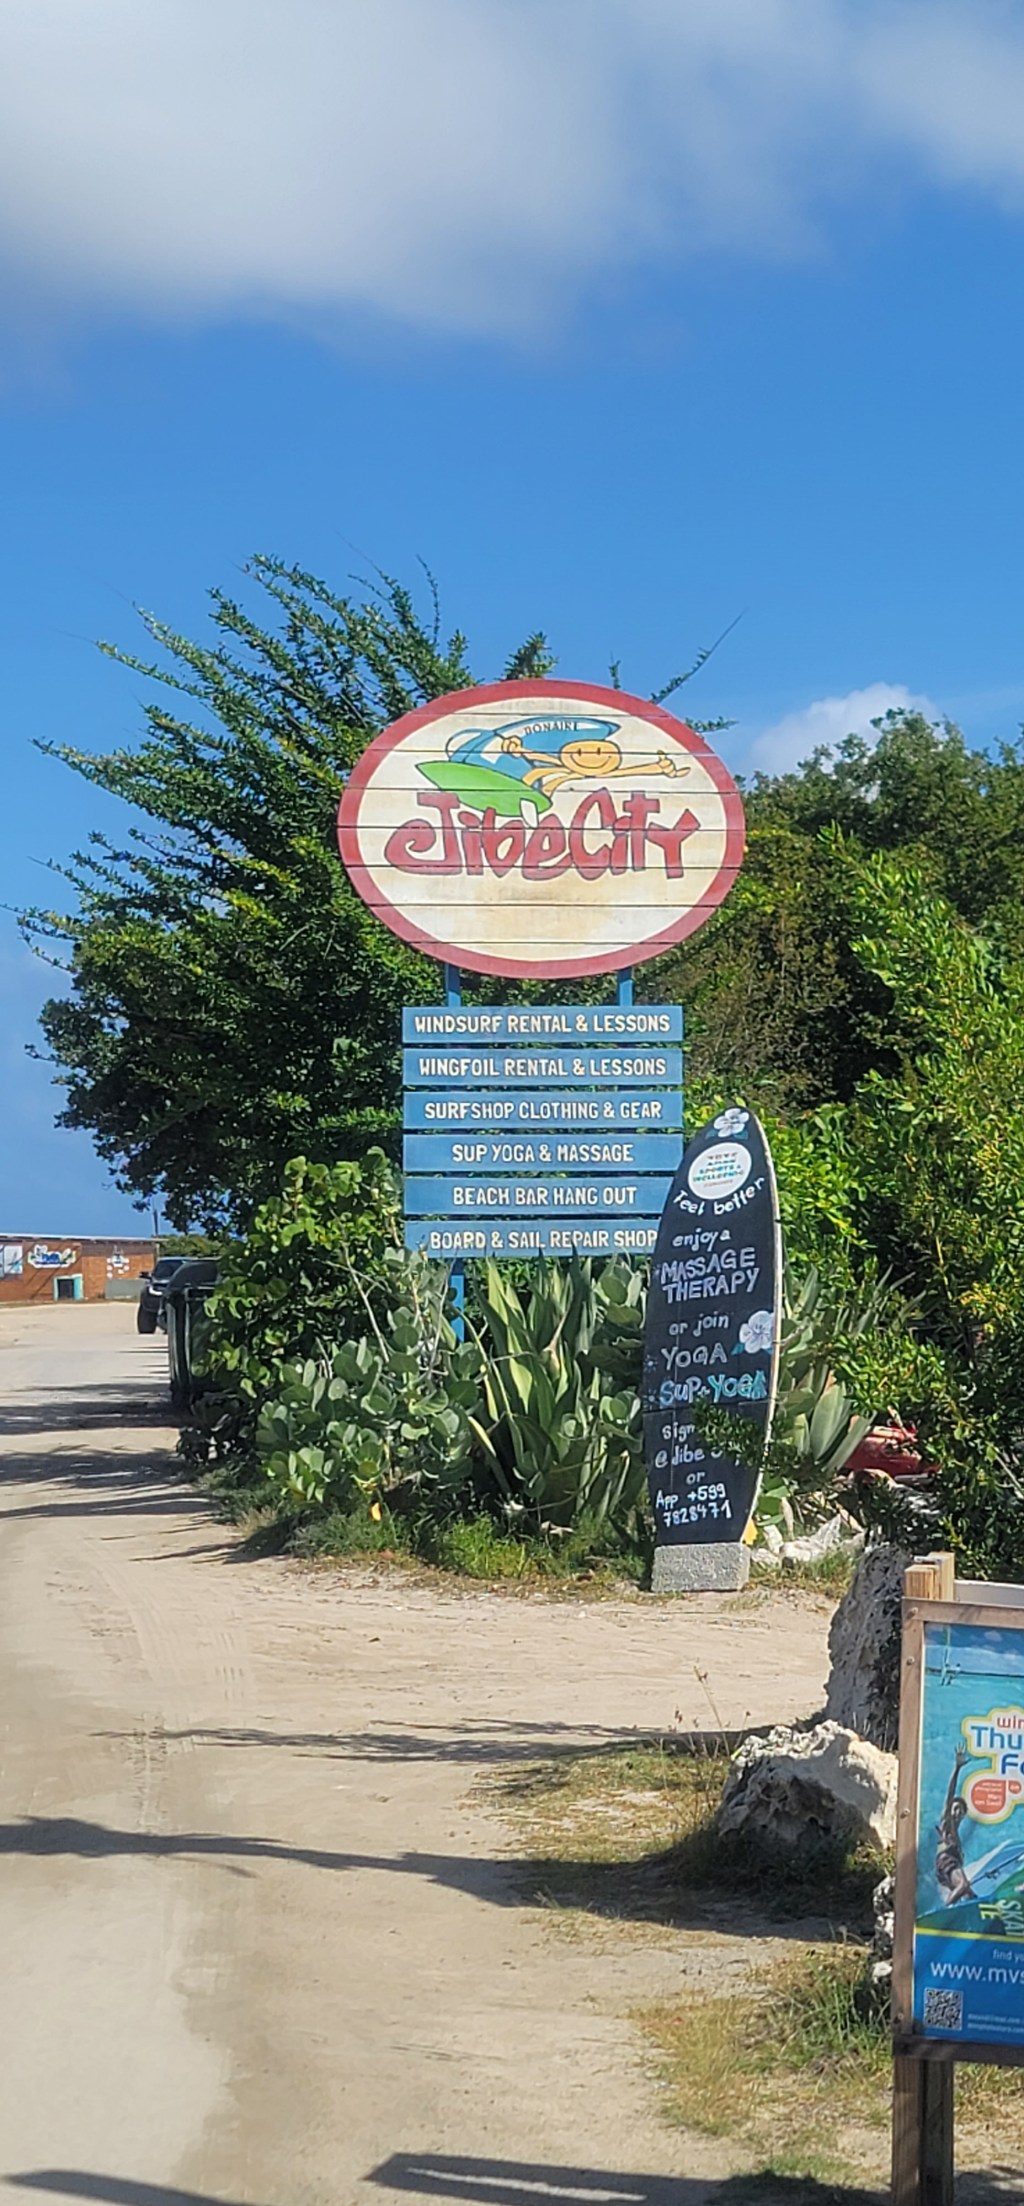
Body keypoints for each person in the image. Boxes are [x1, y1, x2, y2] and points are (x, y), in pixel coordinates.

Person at [935, 1746, 975, 1904]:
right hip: (945, 1863)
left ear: (964, 1815)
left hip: (949, 1868)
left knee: (969, 1895)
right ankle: (945, 1911)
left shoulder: (957, 1837)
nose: (957, 1812)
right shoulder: (947, 1826)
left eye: (961, 1810)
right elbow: (950, 1794)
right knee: (964, 1884)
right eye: (955, 1809)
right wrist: (957, 1768)